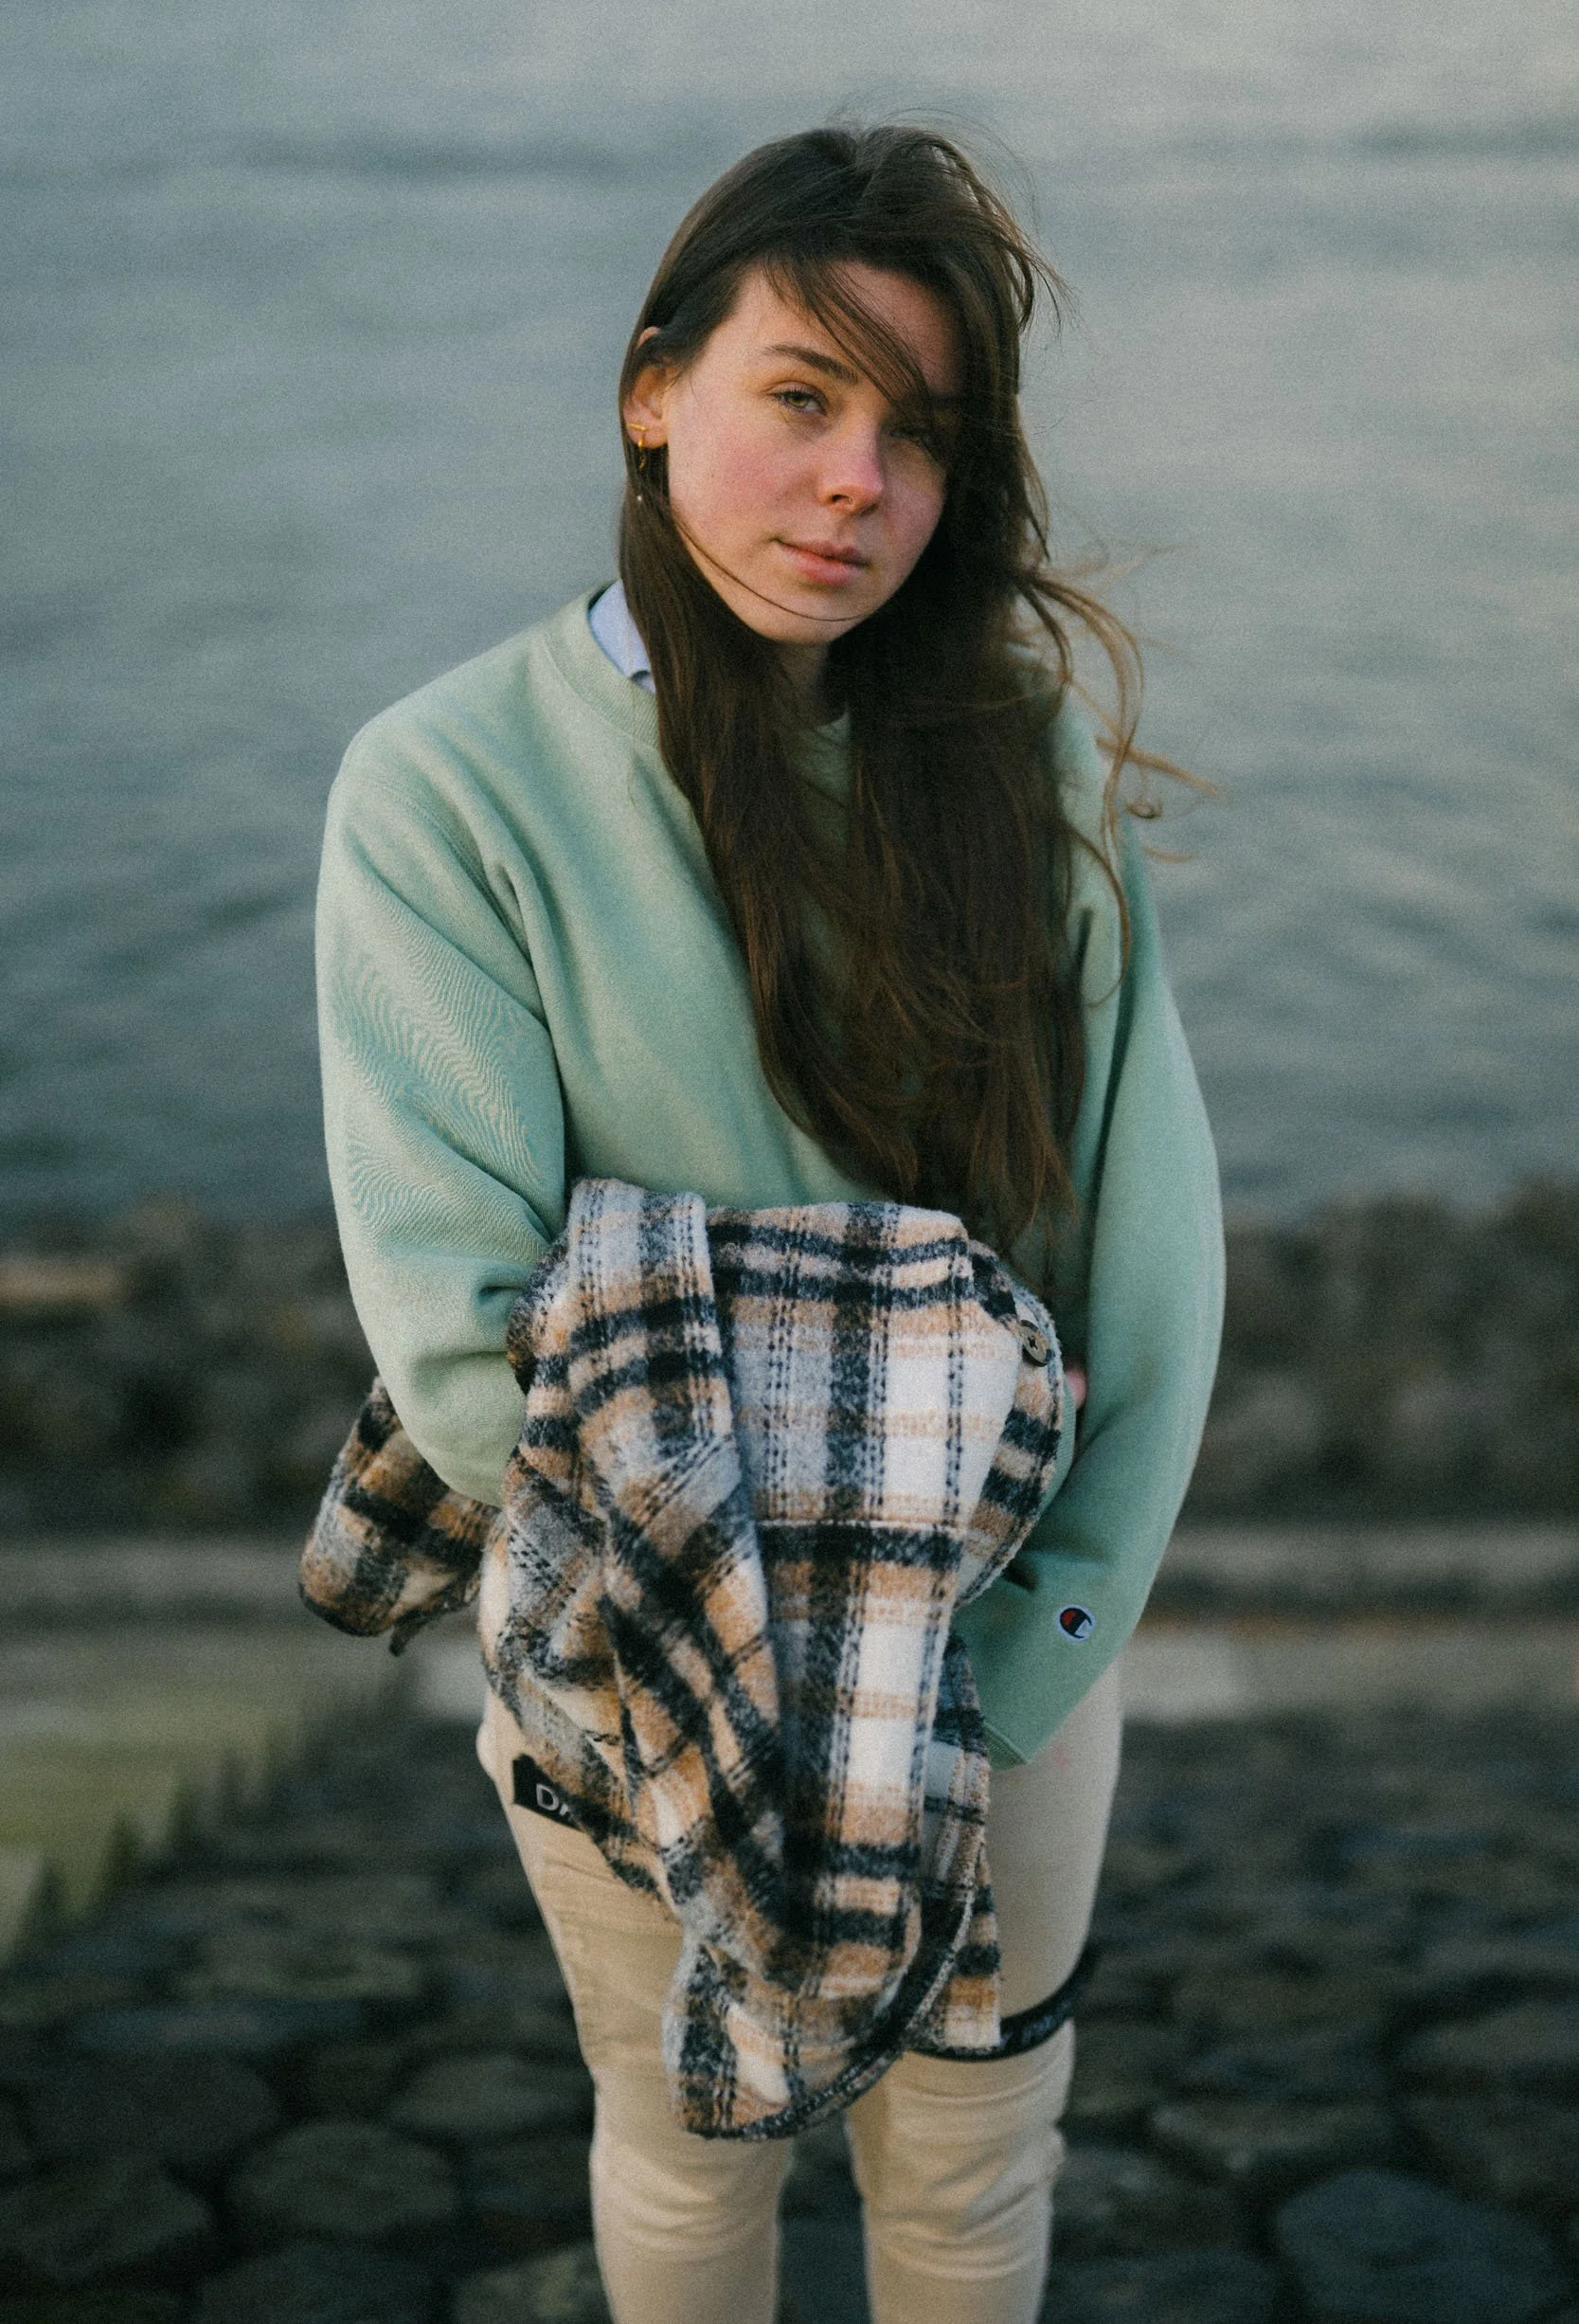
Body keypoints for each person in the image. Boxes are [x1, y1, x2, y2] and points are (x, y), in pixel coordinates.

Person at [315, 124, 1223, 2324]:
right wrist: (722, 1614)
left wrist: (1005, 1654)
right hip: (629, 1649)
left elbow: (1153, 1260)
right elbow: (456, 1325)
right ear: (654, 390)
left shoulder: (1011, 772)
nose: (853, 486)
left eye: (914, 435)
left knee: (974, 2158)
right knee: (680, 2139)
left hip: (999, 1654)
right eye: (799, 398)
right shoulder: (448, 788)